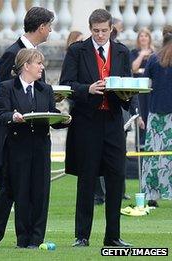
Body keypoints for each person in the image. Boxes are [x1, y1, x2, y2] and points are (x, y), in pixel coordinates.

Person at [60, 9, 134, 247]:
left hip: (113, 121)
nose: (101, 35)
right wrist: (87, 89)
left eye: (105, 31)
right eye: (96, 31)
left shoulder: (122, 51)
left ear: (111, 28)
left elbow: (129, 87)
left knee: (116, 177)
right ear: (90, 28)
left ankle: (112, 237)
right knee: (87, 179)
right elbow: (67, 84)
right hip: (86, 122)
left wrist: (125, 94)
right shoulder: (76, 51)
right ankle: (82, 236)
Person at [0, 6, 54, 248]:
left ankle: (14, 237)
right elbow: (4, 95)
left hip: (36, 137)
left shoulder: (36, 64)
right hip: (13, 136)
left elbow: (39, 96)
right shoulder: (13, 54)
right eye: (49, 26)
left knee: (19, 190)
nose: (51, 31)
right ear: (41, 26)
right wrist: (12, 117)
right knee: (10, 189)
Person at [0, 49, 69, 248]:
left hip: (41, 147)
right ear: (26, 66)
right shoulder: (7, 87)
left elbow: (52, 115)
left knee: (40, 193)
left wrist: (65, 120)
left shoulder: (46, 89)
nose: (42, 67)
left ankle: (36, 239)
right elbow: (0, 114)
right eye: (39, 63)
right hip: (18, 148)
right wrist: (13, 116)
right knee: (21, 193)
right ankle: (22, 239)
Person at [141, 28, 172, 207]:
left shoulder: (153, 59)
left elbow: (144, 88)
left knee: (153, 155)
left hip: (155, 113)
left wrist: (142, 114)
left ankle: (152, 194)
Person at [131, 28, 153, 147]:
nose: (143, 38)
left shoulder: (155, 54)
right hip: (138, 91)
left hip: (151, 91)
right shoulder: (134, 52)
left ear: (149, 38)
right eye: (141, 36)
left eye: (146, 36)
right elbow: (133, 68)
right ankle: (140, 146)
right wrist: (141, 55)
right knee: (140, 118)